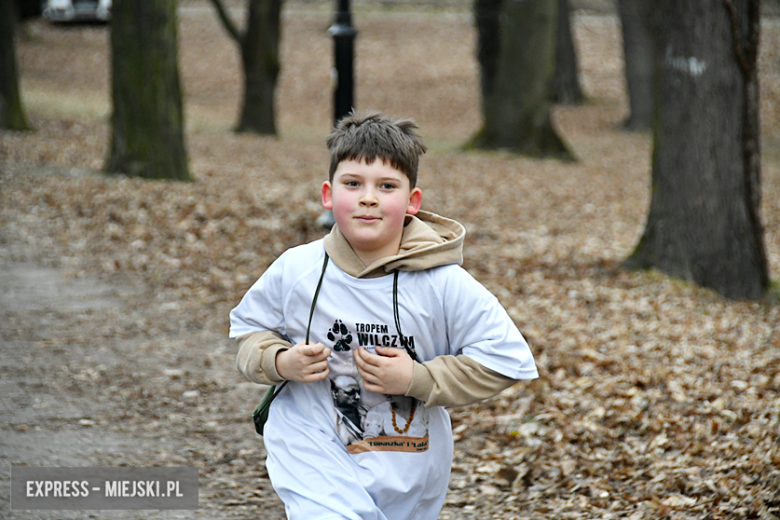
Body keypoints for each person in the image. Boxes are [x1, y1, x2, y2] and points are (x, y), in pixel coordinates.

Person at [229, 111, 538, 520]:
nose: (368, 197)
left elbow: (506, 359)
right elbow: (249, 333)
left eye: (386, 186)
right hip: (310, 444)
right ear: (328, 194)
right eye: (353, 184)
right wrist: (279, 360)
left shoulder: (443, 282)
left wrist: (417, 378)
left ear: (412, 202)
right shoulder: (296, 268)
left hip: (409, 464)